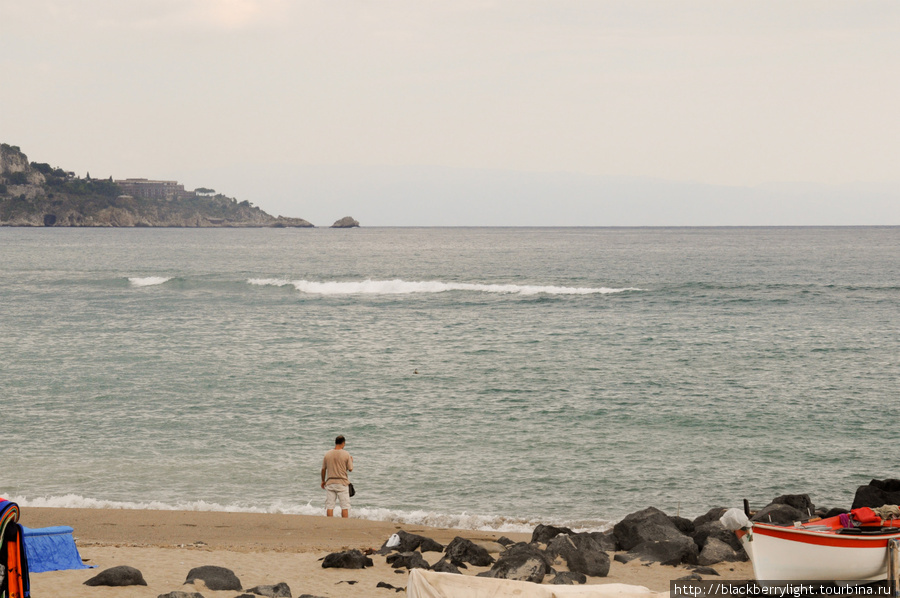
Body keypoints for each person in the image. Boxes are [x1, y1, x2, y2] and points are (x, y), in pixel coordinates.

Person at [321, 435, 353, 518]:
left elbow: (323, 469)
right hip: (342, 483)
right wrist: (351, 461)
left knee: (330, 506)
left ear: (335, 442)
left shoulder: (327, 454)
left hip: (330, 482)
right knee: (345, 506)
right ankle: (344, 523)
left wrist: (323, 481)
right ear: (343, 443)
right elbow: (350, 469)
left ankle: (329, 523)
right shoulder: (346, 454)